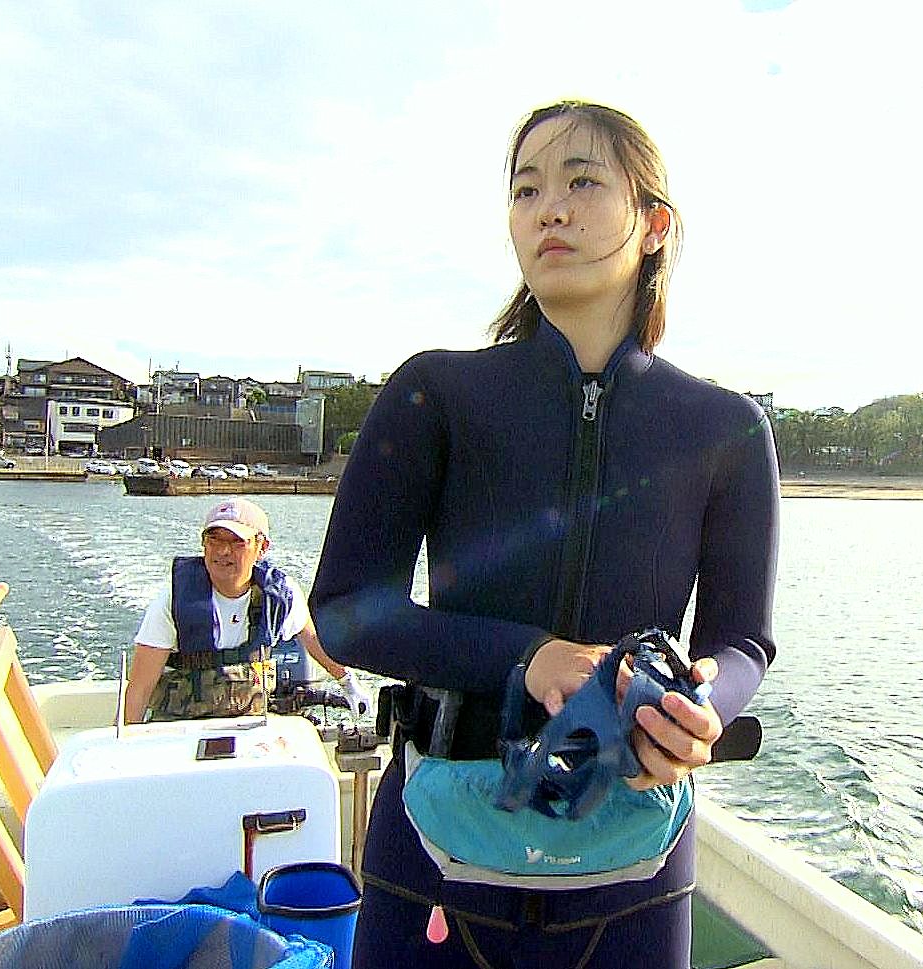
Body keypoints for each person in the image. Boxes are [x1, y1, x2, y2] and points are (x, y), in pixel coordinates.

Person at [310, 101, 778, 969]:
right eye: (526, 190)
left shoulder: (726, 427)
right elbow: (345, 610)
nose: (547, 209)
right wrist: (530, 659)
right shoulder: (435, 394)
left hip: (633, 859)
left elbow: (742, 639)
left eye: (582, 182)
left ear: (653, 224)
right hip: (436, 843)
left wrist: (700, 708)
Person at [124, 497, 372, 723]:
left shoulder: (280, 597)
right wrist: (125, 745)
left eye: (237, 542)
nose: (223, 551)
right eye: (214, 540)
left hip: (249, 727)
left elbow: (311, 639)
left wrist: (348, 683)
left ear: (261, 547)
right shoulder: (173, 600)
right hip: (180, 729)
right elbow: (140, 688)